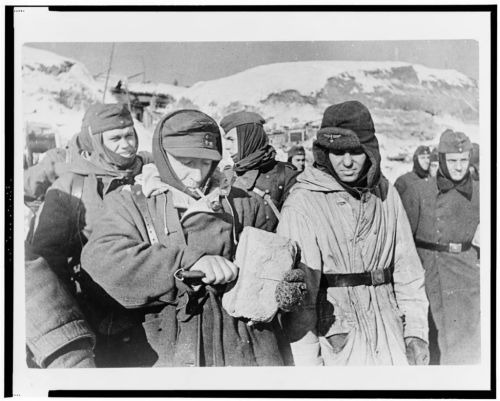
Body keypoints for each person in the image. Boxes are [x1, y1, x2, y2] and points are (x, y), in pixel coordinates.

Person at [80, 109, 297, 367]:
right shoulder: (131, 202)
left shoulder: (243, 202)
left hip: (245, 351)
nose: (197, 175)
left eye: (206, 163)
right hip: (167, 350)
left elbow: (277, 259)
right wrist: (187, 263)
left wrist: (287, 284)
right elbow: (100, 258)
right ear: (163, 156)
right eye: (187, 162)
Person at [277, 101, 429, 366]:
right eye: (337, 152)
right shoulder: (303, 203)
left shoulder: (386, 193)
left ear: (370, 150)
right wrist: (307, 367)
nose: (347, 162)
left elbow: (408, 271)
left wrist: (415, 333)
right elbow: (302, 305)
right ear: (324, 153)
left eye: (356, 151)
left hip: (389, 332)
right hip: (338, 341)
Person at [28, 103, 147, 367]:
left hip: (154, 306)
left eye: (130, 135)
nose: (127, 144)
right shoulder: (71, 186)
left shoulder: (149, 173)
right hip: (104, 315)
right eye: (115, 138)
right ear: (96, 141)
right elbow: (49, 259)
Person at [400, 129, 480, 365]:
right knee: (429, 339)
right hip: (428, 272)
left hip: (465, 273)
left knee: (464, 342)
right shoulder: (419, 190)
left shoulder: (481, 191)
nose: (458, 167)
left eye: (464, 160)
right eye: (452, 161)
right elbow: (404, 242)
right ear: (442, 160)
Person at [220, 111, 299, 232]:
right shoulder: (230, 175)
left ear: (248, 138)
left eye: (231, 139)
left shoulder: (285, 175)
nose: (227, 146)